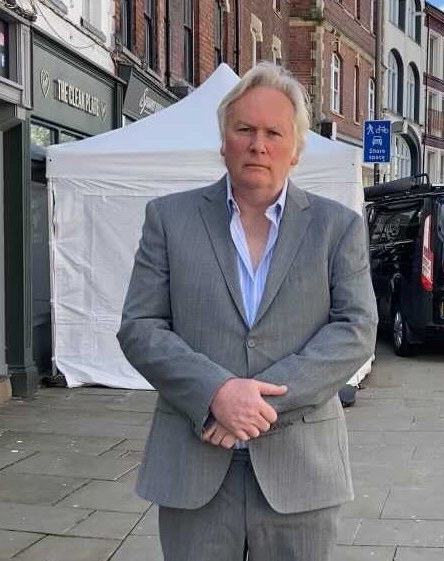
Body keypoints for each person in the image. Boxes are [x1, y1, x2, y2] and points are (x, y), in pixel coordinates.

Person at [117, 62, 378, 561]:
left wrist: (254, 406)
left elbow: (356, 330)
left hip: (300, 472)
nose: (259, 144)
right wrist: (215, 392)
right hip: (193, 468)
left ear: (296, 148)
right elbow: (140, 328)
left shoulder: (336, 228)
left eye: (274, 132)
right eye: (245, 129)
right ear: (224, 141)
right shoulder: (169, 219)